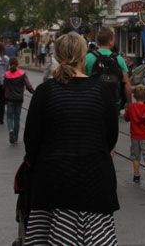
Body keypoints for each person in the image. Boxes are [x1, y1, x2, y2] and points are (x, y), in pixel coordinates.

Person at [22, 32, 120, 245]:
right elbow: (111, 138)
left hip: (54, 184)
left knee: (52, 237)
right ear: (84, 56)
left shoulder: (45, 92)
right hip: (94, 182)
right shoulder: (102, 91)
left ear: (57, 55)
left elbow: (31, 140)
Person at [84, 28, 132, 109]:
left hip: (93, 101)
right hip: (113, 102)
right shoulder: (118, 59)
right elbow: (127, 83)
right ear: (110, 41)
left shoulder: (88, 57)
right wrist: (129, 103)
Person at [5, 56, 35, 144]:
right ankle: (16, 137)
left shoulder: (7, 74)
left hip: (10, 98)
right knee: (17, 117)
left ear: (10, 64)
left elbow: (4, 87)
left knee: (9, 117)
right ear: (18, 64)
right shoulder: (22, 73)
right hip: (19, 98)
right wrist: (34, 92)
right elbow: (28, 85)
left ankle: (10, 130)